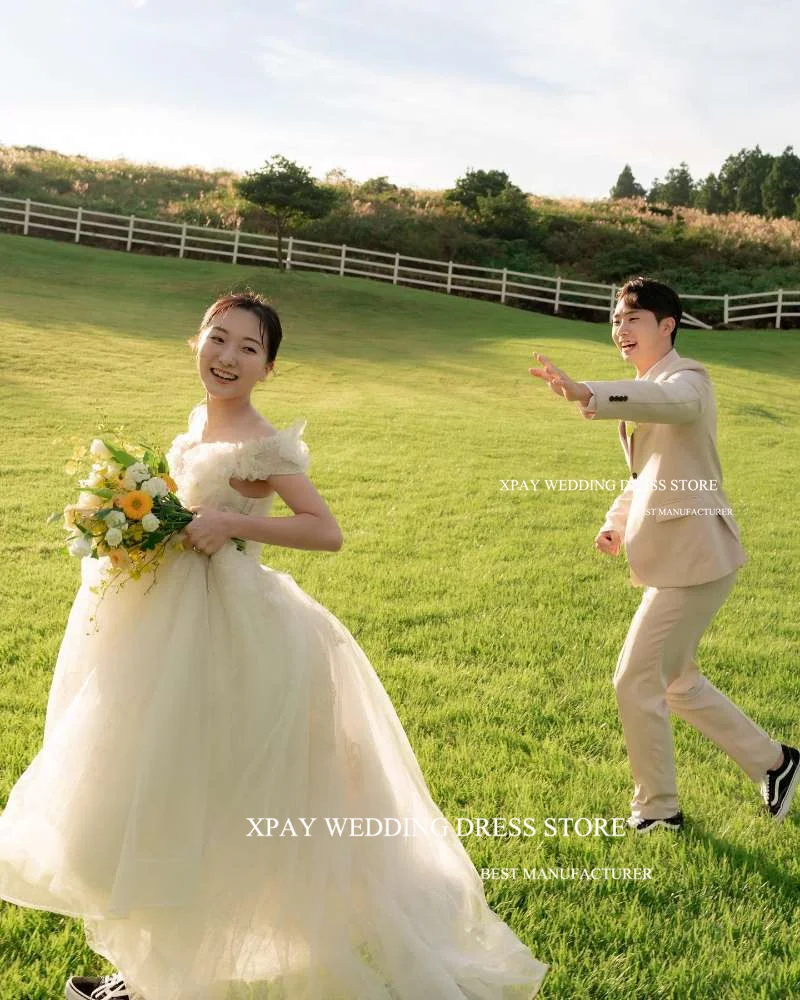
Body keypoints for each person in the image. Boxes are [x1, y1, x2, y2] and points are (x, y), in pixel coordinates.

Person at [0, 290, 548, 1000]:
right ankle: (147, 972)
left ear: (269, 367)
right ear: (196, 339)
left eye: (247, 348)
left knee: (213, 794)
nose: (227, 357)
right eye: (217, 338)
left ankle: (165, 978)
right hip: (166, 624)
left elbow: (325, 529)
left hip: (231, 634)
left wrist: (232, 522)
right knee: (157, 785)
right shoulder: (199, 421)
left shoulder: (264, 443)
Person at [529, 275, 799, 833]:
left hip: (696, 557)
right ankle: (777, 763)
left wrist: (589, 393)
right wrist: (616, 523)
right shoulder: (650, 385)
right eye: (616, 319)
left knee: (634, 680)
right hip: (677, 554)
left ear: (666, 325)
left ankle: (657, 810)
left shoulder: (688, 380)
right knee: (677, 683)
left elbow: (673, 405)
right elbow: (647, 475)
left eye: (632, 318)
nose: (620, 329)